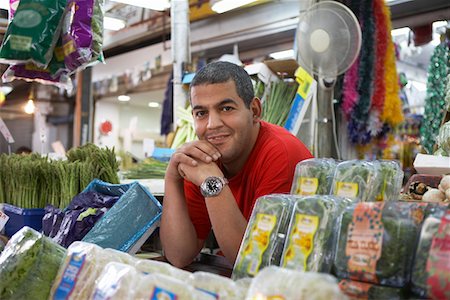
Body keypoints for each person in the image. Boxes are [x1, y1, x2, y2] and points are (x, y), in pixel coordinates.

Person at [160, 61, 313, 268]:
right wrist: (172, 179)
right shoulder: (203, 160)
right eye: (201, 113)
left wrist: (213, 183)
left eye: (226, 108)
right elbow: (179, 255)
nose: (213, 124)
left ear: (255, 111)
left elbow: (252, 262)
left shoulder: (282, 154)